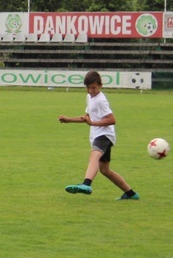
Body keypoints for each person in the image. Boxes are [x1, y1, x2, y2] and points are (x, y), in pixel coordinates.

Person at [59, 71, 139, 200]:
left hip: (104, 135)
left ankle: (86, 183)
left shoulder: (101, 100)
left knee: (94, 155)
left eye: (93, 88)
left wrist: (93, 123)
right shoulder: (90, 97)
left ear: (100, 85)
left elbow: (112, 120)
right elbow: (87, 117)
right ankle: (131, 194)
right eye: (88, 88)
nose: (90, 90)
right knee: (105, 170)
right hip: (98, 134)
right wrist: (68, 120)